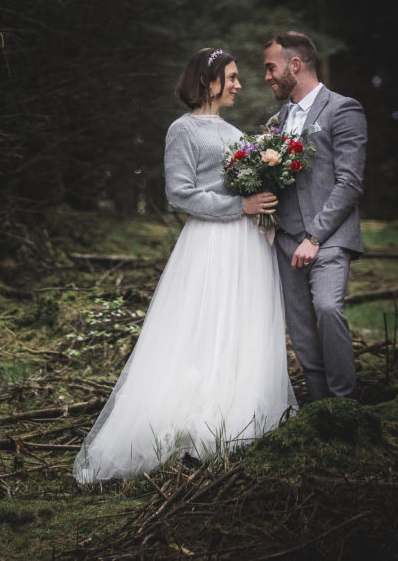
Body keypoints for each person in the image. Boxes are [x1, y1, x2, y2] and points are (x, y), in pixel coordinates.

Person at [73, 47, 297, 484]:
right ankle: (188, 428)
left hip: (248, 246)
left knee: (240, 327)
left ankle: (237, 421)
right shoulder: (182, 130)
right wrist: (241, 205)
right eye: (230, 77)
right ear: (207, 81)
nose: (237, 84)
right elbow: (180, 193)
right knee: (203, 328)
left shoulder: (234, 130)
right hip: (210, 243)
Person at [263, 31, 367, 402]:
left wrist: (315, 237)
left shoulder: (344, 109)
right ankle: (320, 406)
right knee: (301, 328)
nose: (267, 76)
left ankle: (344, 404)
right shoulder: (275, 122)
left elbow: (350, 183)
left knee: (327, 308)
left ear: (295, 64)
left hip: (330, 237)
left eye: (271, 68)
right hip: (286, 239)